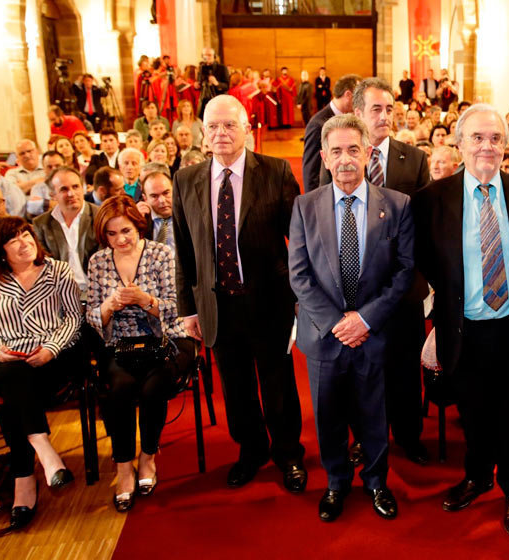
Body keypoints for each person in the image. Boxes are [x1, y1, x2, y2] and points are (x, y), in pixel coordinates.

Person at [412, 104, 509, 537]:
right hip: (463, 326)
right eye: (477, 138)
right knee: (471, 410)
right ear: (459, 143)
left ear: (506, 145)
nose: (486, 147)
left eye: (495, 139)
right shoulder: (431, 200)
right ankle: (476, 476)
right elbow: (421, 262)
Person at [172, 94, 307, 493]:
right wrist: (188, 310)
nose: (221, 133)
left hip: (269, 301)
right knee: (235, 386)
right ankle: (251, 451)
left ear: (248, 129)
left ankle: (288, 453)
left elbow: (298, 241)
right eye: (213, 126)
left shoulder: (277, 172)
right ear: (202, 132)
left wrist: (302, 297)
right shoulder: (186, 180)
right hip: (217, 304)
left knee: (278, 383)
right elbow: (183, 249)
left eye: (230, 125)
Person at [288, 114, 413, 522]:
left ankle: (377, 482)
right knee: (327, 416)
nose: (345, 159)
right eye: (337, 151)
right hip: (325, 337)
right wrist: (338, 323)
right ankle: (336, 482)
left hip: (374, 334)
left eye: (354, 150)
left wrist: (365, 320)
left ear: (367, 154)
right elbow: (300, 274)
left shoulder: (396, 205)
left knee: (375, 413)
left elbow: (404, 272)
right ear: (324, 156)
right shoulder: (305, 206)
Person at [0, 216, 84, 531]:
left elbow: (74, 319)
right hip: (9, 361)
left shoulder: (58, 272)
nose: (25, 243)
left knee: (11, 396)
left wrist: (50, 348)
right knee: (11, 375)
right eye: (14, 240)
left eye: (26, 235)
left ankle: (25, 478)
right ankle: (45, 451)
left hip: (52, 359)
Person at [85, 194, 193, 512]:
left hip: (166, 339)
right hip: (121, 343)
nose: (120, 239)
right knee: (118, 387)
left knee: (153, 386)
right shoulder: (98, 261)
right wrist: (110, 305)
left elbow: (178, 310)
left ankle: (147, 456)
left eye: (126, 231)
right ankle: (122, 466)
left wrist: (145, 300)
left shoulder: (161, 254)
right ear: (103, 235)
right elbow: (92, 317)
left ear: (139, 227)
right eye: (112, 233)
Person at [348, 78, 431, 464]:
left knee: (402, 366)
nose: (385, 117)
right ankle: (365, 437)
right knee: (363, 369)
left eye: (389, 109)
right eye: (377, 109)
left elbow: (425, 223)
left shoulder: (413, 159)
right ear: (359, 113)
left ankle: (409, 435)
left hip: (404, 285)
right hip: (358, 288)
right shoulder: (344, 155)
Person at [32, 167, 100, 298]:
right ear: (53, 195)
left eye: (76, 187)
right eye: (64, 189)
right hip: (58, 294)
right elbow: (43, 265)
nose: (71, 193)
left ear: (83, 188)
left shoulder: (100, 216)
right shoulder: (41, 224)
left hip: (96, 291)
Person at [302, 73, 362, 191]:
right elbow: (310, 172)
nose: (361, 103)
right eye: (359, 98)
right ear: (348, 95)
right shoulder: (318, 125)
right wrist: (314, 202)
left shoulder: (348, 119)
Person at [139, 171, 175, 250]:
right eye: (154, 196)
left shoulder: (188, 216)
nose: (162, 200)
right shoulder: (141, 219)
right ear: (145, 198)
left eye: (166, 193)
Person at [195, 47, 230, 119]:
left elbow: (227, 86)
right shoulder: (201, 68)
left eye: (209, 55)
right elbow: (200, 84)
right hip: (204, 99)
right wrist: (197, 85)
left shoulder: (222, 68)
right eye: (205, 55)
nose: (207, 57)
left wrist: (216, 83)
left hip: (218, 99)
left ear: (214, 56)